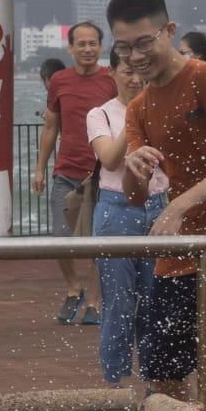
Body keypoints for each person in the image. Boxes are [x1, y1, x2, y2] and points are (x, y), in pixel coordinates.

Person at [109, 0, 206, 404]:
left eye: (144, 43)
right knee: (162, 372)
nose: (135, 57)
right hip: (175, 251)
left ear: (169, 30)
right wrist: (135, 170)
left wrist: (179, 204)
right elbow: (135, 195)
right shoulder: (139, 107)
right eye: (123, 49)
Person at [87, 50, 170, 384]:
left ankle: (156, 382)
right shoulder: (101, 114)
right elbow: (108, 158)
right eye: (127, 72)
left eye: (140, 72)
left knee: (155, 304)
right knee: (119, 305)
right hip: (116, 209)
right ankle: (116, 383)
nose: (135, 79)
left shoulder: (163, 111)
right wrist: (136, 115)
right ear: (112, 72)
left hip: (158, 206)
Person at [34, 22, 115, 324]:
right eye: (81, 43)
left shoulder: (111, 79)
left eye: (93, 43)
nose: (87, 49)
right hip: (65, 171)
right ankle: (73, 289)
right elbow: (51, 125)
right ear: (70, 48)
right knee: (60, 238)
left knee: (97, 242)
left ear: (101, 47)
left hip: (100, 173)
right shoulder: (59, 80)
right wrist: (40, 168)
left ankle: (93, 302)